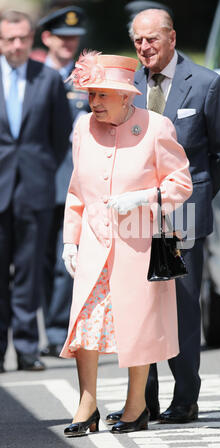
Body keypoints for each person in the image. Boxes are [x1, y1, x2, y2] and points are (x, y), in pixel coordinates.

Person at [106, 8, 220, 425]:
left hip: (183, 215)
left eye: (152, 40)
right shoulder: (128, 87)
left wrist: (197, 195)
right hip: (136, 217)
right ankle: (143, 401)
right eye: (138, 41)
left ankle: (185, 398)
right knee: (139, 307)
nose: (144, 47)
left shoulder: (207, 84)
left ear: (172, 38)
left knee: (180, 308)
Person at [59, 51, 193, 436]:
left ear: (125, 96)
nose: (94, 102)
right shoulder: (83, 128)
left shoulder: (156, 127)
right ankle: (87, 406)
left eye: (103, 95)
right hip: (95, 243)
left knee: (136, 327)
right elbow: (75, 191)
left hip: (138, 243)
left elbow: (180, 183)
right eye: (91, 94)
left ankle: (137, 406)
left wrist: (145, 197)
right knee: (85, 326)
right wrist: (70, 241)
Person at [0, 10, 72, 373]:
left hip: (35, 188)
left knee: (29, 272)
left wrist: (41, 170)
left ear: (32, 39)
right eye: (9, 39)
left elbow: (60, 138)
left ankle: (27, 348)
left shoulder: (48, 79)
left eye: (22, 39)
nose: (16, 45)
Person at [38, 5, 90, 358]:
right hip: (33, 183)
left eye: (74, 38)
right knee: (34, 262)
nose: (69, 43)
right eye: (62, 37)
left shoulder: (85, 78)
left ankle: (58, 329)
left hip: (73, 181)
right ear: (47, 39)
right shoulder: (33, 76)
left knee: (63, 262)